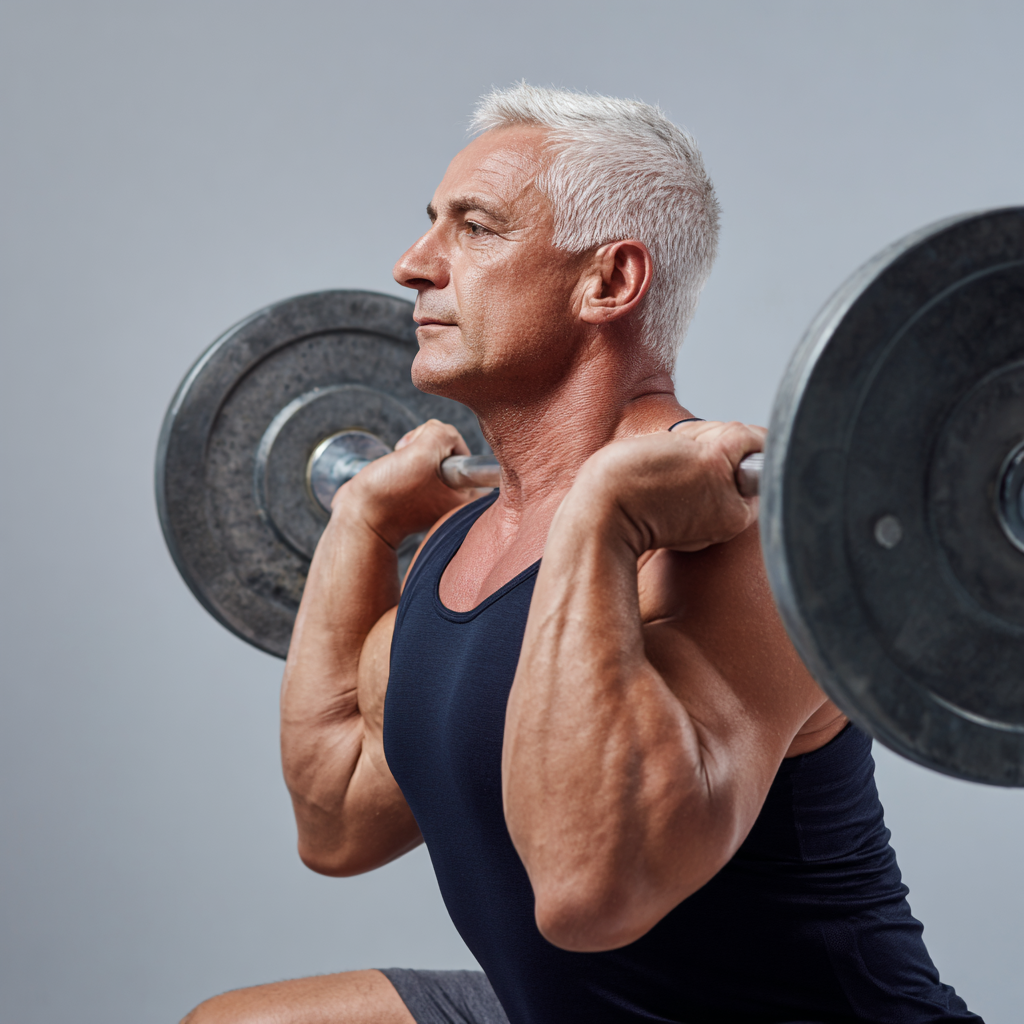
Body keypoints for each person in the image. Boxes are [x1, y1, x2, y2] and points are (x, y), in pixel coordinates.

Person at [183, 85, 979, 1024]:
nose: (411, 265)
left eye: (474, 228)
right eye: (430, 226)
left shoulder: (745, 547)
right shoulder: (456, 544)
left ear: (608, 282)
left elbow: (590, 892)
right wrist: (360, 525)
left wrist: (600, 513)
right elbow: (339, 816)